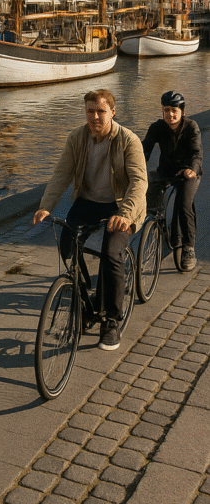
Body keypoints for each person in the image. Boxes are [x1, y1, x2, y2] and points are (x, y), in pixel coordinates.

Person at [33, 89, 147, 351]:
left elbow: (139, 183)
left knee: (111, 254)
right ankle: (85, 300)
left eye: (101, 111)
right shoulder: (78, 137)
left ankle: (111, 320)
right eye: (90, 111)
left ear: (113, 112)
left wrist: (125, 214)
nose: (95, 117)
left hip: (119, 206)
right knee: (67, 247)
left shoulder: (129, 140)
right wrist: (45, 207)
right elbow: (61, 173)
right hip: (88, 202)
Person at [141, 91, 202, 272]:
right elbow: (144, 150)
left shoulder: (191, 127)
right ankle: (157, 229)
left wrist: (193, 169)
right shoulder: (157, 127)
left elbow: (197, 153)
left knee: (184, 204)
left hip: (187, 172)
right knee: (151, 200)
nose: (170, 115)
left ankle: (188, 248)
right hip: (166, 171)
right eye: (166, 110)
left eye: (174, 110)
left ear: (182, 111)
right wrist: (137, 169)